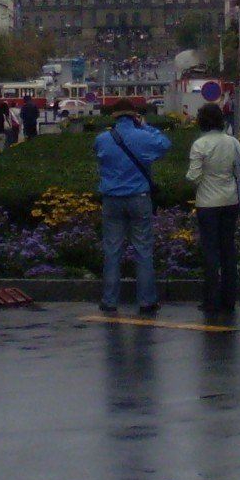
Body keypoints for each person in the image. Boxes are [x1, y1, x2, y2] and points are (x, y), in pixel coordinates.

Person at [92, 97, 171, 316]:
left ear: (114, 117)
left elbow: (99, 156)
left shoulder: (102, 139)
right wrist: (146, 126)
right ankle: (146, 301)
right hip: (139, 197)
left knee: (112, 250)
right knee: (143, 250)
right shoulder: (143, 137)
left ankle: (109, 300)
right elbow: (165, 145)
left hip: (111, 199)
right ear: (134, 116)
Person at [186, 101, 240, 315]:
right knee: (228, 250)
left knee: (211, 251)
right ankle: (229, 299)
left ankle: (211, 300)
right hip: (230, 200)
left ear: (201, 122)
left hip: (207, 203)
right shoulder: (232, 142)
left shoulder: (200, 145)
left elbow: (193, 176)